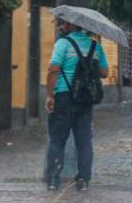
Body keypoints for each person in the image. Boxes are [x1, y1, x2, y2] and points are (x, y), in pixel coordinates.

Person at [45, 19, 108, 191]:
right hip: (85, 100)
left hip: (64, 97)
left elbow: (53, 70)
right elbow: (104, 73)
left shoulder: (63, 44)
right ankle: (83, 180)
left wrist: (50, 96)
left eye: (63, 24)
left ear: (72, 25)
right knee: (84, 142)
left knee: (57, 140)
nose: (60, 27)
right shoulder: (96, 46)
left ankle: (52, 179)